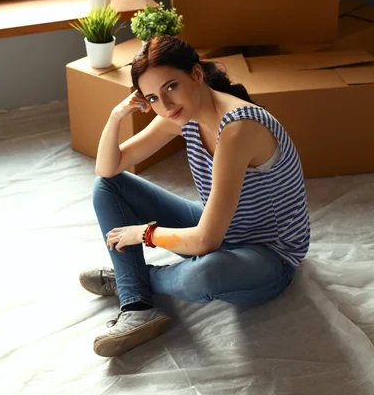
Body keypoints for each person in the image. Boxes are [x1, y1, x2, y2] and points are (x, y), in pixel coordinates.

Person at [79, 36, 310, 358]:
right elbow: (108, 170)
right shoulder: (181, 117)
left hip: (270, 257)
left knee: (203, 275)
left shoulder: (238, 128)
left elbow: (205, 243)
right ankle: (137, 305)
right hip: (222, 228)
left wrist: (143, 234)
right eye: (152, 98)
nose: (166, 105)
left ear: (197, 74)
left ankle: (132, 281)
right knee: (108, 187)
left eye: (171, 87)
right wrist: (117, 115)